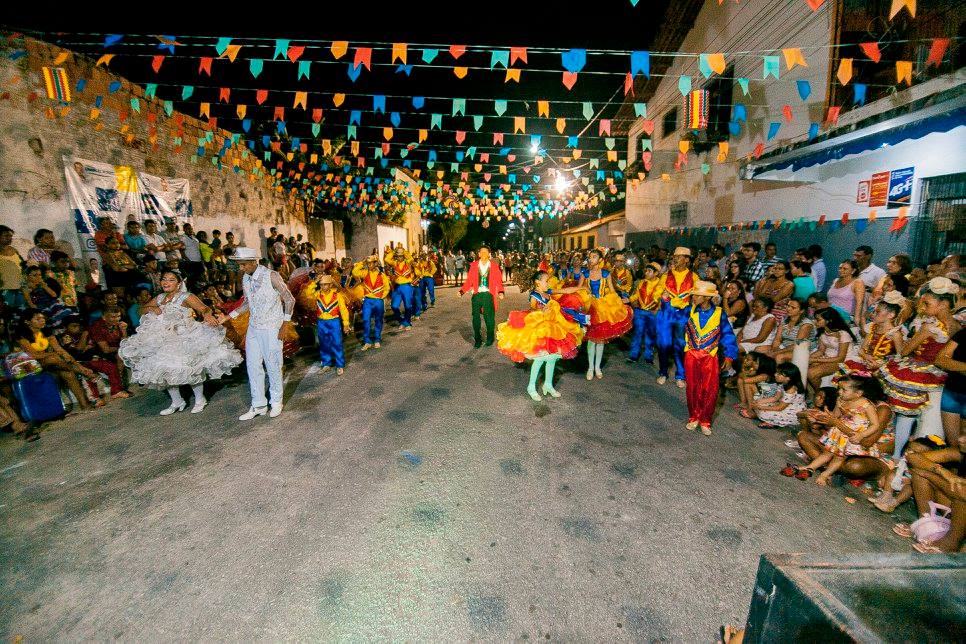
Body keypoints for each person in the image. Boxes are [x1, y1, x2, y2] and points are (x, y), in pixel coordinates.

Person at [120, 271, 241, 415]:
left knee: (191, 366)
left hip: (186, 336)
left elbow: (204, 308)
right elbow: (141, 310)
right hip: (165, 337)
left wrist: (207, 315)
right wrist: (153, 308)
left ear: (178, 284)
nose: (166, 282)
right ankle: (177, 401)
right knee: (166, 368)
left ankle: (200, 399)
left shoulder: (185, 296)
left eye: (171, 280)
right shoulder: (160, 298)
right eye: (164, 279)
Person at [881, 278, 960, 456]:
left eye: (927, 304)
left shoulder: (929, 327)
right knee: (926, 421)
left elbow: (904, 351)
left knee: (906, 415)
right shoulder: (957, 326)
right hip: (940, 378)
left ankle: (896, 455)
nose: (923, 308)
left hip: (918, 375)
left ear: (943, 304)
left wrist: (898, 338)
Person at [216, 247, 295, 420]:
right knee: (252, 365)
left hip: (272, 327)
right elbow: (246, 303)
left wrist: (285, 324)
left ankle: (276, 402)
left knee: (273, 364)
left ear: (253, 261)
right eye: (239, 265)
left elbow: (290, 299)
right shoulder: (245, 278)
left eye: (243, 264)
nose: (241, 268)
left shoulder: (272, 276)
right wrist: (228, 316)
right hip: (253, 327)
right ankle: (259, 405)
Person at [496, 270, 586, 401]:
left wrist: (580, 288)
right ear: (538, 282)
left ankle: (548, 385)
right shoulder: (535, 295)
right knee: (539, 359)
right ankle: (531, 387)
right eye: (546, 281)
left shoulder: (548, 292)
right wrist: (542, 310)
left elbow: (565, 291)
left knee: (552, 358)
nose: (548, 283)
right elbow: (532, 309)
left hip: (553, 328)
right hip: (540, 329)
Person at [791, 375, 881, 485]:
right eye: (839, 388)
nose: (839, 392)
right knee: (827, 452)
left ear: (858, 393)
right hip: (838, 432)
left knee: (839, 457)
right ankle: (810, 467)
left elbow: (875, 425)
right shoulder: (840, 400)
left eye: (844, 390)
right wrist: (820, 417)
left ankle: (825, 475)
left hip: (853, 436)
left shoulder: (867, 405)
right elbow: (835, 416)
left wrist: (861, 435)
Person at [15, 309, 100, 411]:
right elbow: (34, 355)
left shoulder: (46, 332)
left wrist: (79, 366)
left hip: (51, 362)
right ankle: (84, 373)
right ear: (27, 321)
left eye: (43, 318)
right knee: (54, 358)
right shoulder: (21, 336)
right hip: (31, 366)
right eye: (38, 319)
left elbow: (60, 350)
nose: (42, 320)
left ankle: (84, 405)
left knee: (68, 373)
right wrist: (54, 354)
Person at [683, 281, 738, 435]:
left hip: (710, 357)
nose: (694, 297)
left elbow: (728, 335)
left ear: (707, 298)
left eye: (697, 295)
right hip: (691, 355)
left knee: (710, 389)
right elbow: (673, 318)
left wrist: (729, 356)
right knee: (692, 387)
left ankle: (705, 420)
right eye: (693, 294)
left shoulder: (720, 314)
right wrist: (667, 302)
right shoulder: (689, 310)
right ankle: (694, 416)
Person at [577, 249, 633, 380]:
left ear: (600, 260)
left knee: (600, 340)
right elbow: (578, 289)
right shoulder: (585, 273)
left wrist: (619, 302)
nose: (591, 259)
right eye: (590, 257)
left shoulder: (606, 273)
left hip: (603, 308)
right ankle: (590, 367)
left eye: (594, 256)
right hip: (590, 307)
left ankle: (597, 367)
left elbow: (612, 291)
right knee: (591, 340)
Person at [656, 247, 698, 387]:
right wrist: (661, 296)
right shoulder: (666, 275)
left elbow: (698, 295)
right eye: (674, 256)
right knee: (663, 344)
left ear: (686, 260)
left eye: (679, 257)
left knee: (680, 345)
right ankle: (663, 372)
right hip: (667, 312)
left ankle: (680, 375)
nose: (675, 259)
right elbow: (657, 291)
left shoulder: (694, 277)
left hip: (683, 314)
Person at [459, 246, 505, 348]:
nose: (483, 254)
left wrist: (501, 292)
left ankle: (490, 338)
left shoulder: (494, 266)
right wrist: (462, 291)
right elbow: (469, 281)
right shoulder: (474, 266)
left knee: (489, 318)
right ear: (479, 254)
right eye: (482, 252)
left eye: (486, 252)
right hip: (476, 295)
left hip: (488, 295)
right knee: (475, 318)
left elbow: (499, 281)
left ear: (489, 254)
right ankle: (477, 340)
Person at [807, 308, 855, 393]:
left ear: (829, 320)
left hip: (843, 361)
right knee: (805, 367)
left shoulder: (843, 334)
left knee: (811, 373)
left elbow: (841, 358)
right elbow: (821, 351)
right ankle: (813, 393)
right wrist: (808, 358)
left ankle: (821, 394)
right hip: (828, 357)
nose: (815, 322)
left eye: (818, 320)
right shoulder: (822, 332)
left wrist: (815, 360)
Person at [314, 274, 351, 375]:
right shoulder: (317, 294)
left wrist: (346, 324)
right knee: (324, 343)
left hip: (334, 321)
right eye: (321, 285)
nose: (323, 286)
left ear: (330, 285)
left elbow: (343, 310)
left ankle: (340, 365)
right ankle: (326, 364)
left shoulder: (337, 295)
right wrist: (315, 282)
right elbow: (307, 294)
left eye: (325, 284)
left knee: (337, 343)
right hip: (321, 322)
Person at [627, 262, 663, 364]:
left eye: (649, 271)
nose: (646, 273)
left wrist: (658, 307)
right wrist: (629, 299)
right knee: (637, 333)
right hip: (640, 311)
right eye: (646, 271)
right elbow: (636, 295)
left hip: (653, 313)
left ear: (656, 273)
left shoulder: (660, 284)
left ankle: (648, 356)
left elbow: (658, 298)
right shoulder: (641, 282)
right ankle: (633, 355)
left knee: (650, 334)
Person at [752, 362, 807, 429]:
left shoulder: (791, 390)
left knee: (762, 412)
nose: (775, 374)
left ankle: (772, 422)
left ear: (788, 378)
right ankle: (767, 419)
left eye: (779, 374)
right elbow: (775, 398)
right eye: (777, 372)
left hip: (792, 413)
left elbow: (780, 408)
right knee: (757, 401)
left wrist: (761, 407)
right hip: (783, 406)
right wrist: (758, 402)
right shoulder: (783, 383)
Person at [352, 255, 389, 350]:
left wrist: (382, 297)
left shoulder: (382, 275)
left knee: (378, 320)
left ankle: (377, 339)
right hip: (367, 301)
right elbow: (354, 272)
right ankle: (367, 341)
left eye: (370, 263)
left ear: (375, 263)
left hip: (378, 301)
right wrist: (362, 262)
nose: (369, 265)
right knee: (365, 320)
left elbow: (387, 287)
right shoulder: (365, 273)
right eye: (367, 263)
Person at [384, 246, 418, 330]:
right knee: (394, 306)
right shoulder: (395, 263)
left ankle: (407, 323)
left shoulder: (408, 262)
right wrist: (393, 252)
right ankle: (402, 321)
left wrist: (403, 251)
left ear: (403, 256)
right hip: (398, 287)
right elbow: (387, 259)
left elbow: (410, 258)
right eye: (398, 256)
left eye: (401, 256)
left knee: (408, 306)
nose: (399, 258)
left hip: (407, 286)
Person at [827, 260, 865, 324]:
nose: (841, 270)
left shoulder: (857, 282)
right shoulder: (835, 280)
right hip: (829, 317)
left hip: (845, 320)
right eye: (840, 268)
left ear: (853, 271)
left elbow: (859, 302)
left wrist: (856, 318)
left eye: (845, 269)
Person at [0, 225, 25, 308]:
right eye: (6, 236)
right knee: (7, 310)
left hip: (19, 287)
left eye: (10, 236)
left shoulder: (14, 250)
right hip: (4, 289)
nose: (9, 238)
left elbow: (23, 265)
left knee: (21, 310)